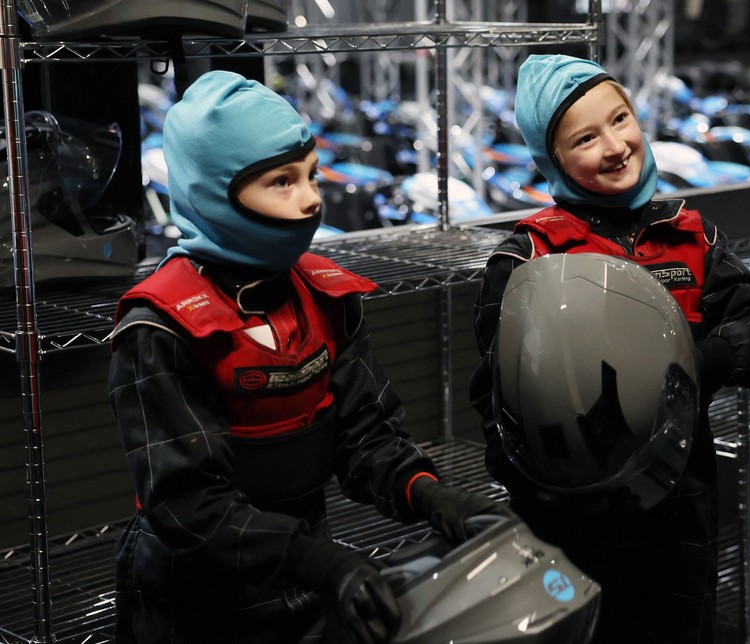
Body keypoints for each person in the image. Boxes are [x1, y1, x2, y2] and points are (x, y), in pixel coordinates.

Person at [108, 70, 508, 644]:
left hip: (303, 566)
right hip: (195, 596)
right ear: (215, 193)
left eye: (312, 174)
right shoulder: (161, 326)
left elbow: (366, 435)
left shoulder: (324, 295)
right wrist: (321, 562)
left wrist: (429, 493)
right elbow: (188, 506)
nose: (312, 198)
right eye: (281, 181)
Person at [469, 54, 750, 644]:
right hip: (571, 521)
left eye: (620, 119)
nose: (615, 146)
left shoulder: (692, 237)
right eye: (585, 138)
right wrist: (543, 491)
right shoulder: (529, 256)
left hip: (683, 507)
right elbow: (495, 398)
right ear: (552, 159)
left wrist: (701, 359)